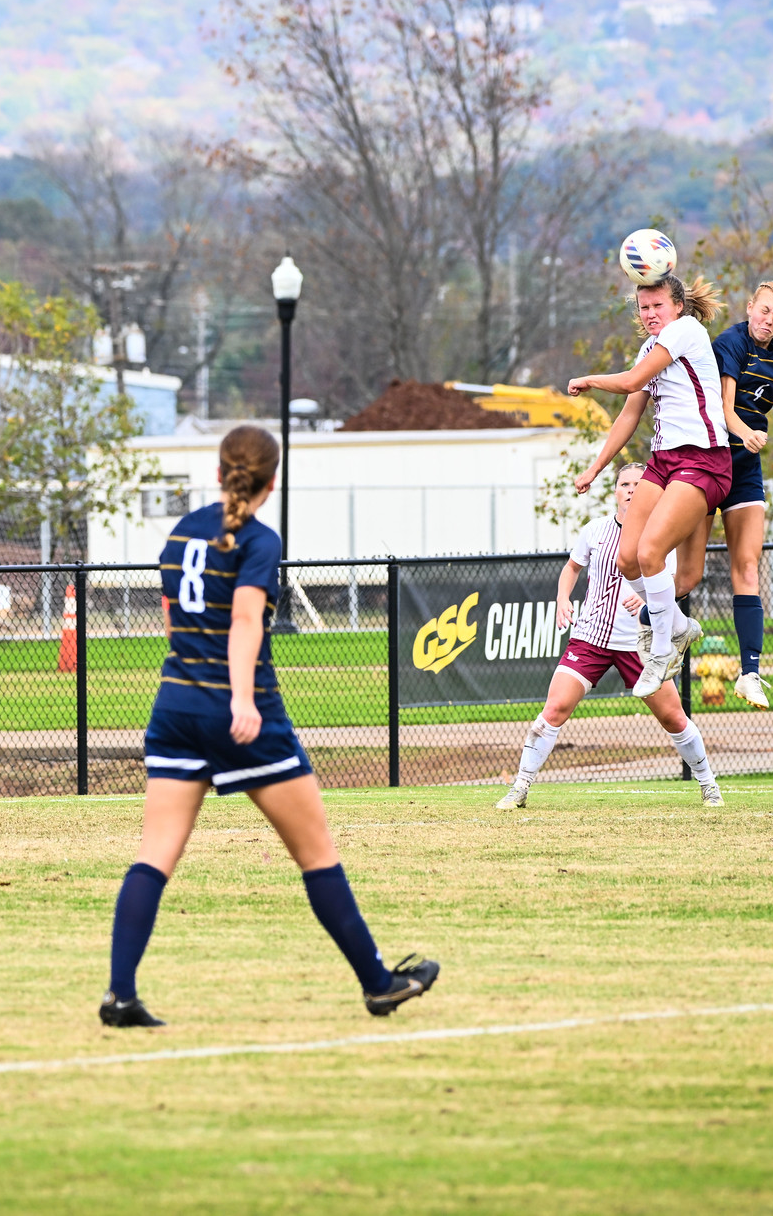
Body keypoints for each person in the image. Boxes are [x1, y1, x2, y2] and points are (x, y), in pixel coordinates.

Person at [101, 425, 437, 1028]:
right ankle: (378, 983)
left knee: (154, 857)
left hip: (174, 708)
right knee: (316, 855)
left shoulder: (180, 533)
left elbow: (175, 618)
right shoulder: (258, 539)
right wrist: (240, 701)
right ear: (272, 481)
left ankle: (120, 995)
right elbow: (247, 621)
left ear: (218, 472)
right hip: (243, 715)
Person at [496, 463, 723, 811]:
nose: (632, 490)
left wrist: (647, 596)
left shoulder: (663, 537)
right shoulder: (595, 530)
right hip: (591, 639)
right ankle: (519, 788)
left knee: (674, 719)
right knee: (554, 708)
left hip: (641, 644)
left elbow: (676, 584)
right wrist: (562, 599)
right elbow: (572, 567)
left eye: (639, 483)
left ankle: (709, 785)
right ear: (615, 491)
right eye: (625, 484)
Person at [568, 272, 732, 700]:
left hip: (704, 459)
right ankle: (677, 625)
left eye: (657, 305)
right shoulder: (650, 346)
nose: (650, 313)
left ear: (677, 306)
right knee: (627, 560)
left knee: (650, 552)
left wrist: (589, 380)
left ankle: (661, 649)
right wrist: (595, 469)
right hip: (664, 461)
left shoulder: (685, 330)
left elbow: (628, 380)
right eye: (643, 307)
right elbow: (628, 414)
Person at [710, 281, 773, 709]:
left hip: (746, 469)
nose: (769, 320)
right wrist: (749, 432)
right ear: (750, 307)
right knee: (688, 574)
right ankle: (642, 618)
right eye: (764, 311)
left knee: (748, 566)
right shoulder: (730, 343)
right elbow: (724, 409)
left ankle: (750, 672)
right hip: (709, 460)